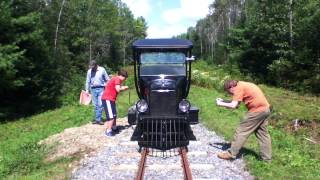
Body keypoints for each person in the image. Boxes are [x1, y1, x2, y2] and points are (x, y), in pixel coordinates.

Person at [215, 80, 272, 162]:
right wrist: (223, 101)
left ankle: (231, 153)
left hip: (257, 111)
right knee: (263, 134)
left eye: (229, 92)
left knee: (241, 131)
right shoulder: (242, 85)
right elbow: (236, 104)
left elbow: (233, 105)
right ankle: (266, 159)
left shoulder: (238, 88)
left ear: (231, 87)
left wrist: (219, 104)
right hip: (265, 109)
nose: (231, 94)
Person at [101, 70, 129, 136]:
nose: (124, 80)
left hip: (111, 99)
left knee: (114, 114)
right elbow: (118, 89)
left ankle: (114, 128)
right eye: (124, 78)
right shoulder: (117, 79)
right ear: (121, 76)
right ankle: (108, 131)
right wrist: (125, 87)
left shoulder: (115, 79)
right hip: (107, 99)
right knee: (111, 116)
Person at [85, 60, 109, 125]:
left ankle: (98, 119)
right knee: (95, 105)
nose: (91, 68)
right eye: (91, 67)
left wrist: (107, 87)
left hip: (101, 88)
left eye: (93, 67)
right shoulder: (89, 71)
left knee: (101, 104)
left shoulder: (102, 70)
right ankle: (98, 118)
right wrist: (87, 90)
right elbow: (87, 81)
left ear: (96, 65)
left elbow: (107, 79)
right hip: (92, 89)